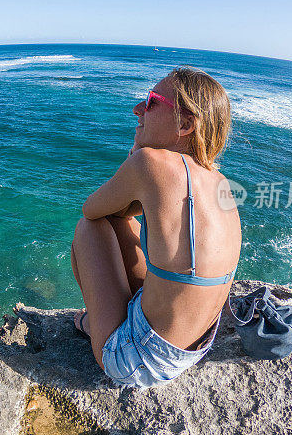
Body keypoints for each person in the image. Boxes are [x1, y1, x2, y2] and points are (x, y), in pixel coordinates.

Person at [70, 66, 242, 388]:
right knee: (119, 223)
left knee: (88, 228)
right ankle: (111, 319)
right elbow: (124, 214)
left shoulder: (150, 162)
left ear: (185, 123)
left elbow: (91, 209)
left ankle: (96, 324)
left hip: (136, 361)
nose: (138, 109)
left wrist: (135, 157)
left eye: (151, 101)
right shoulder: (221, 185)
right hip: (188, 354)